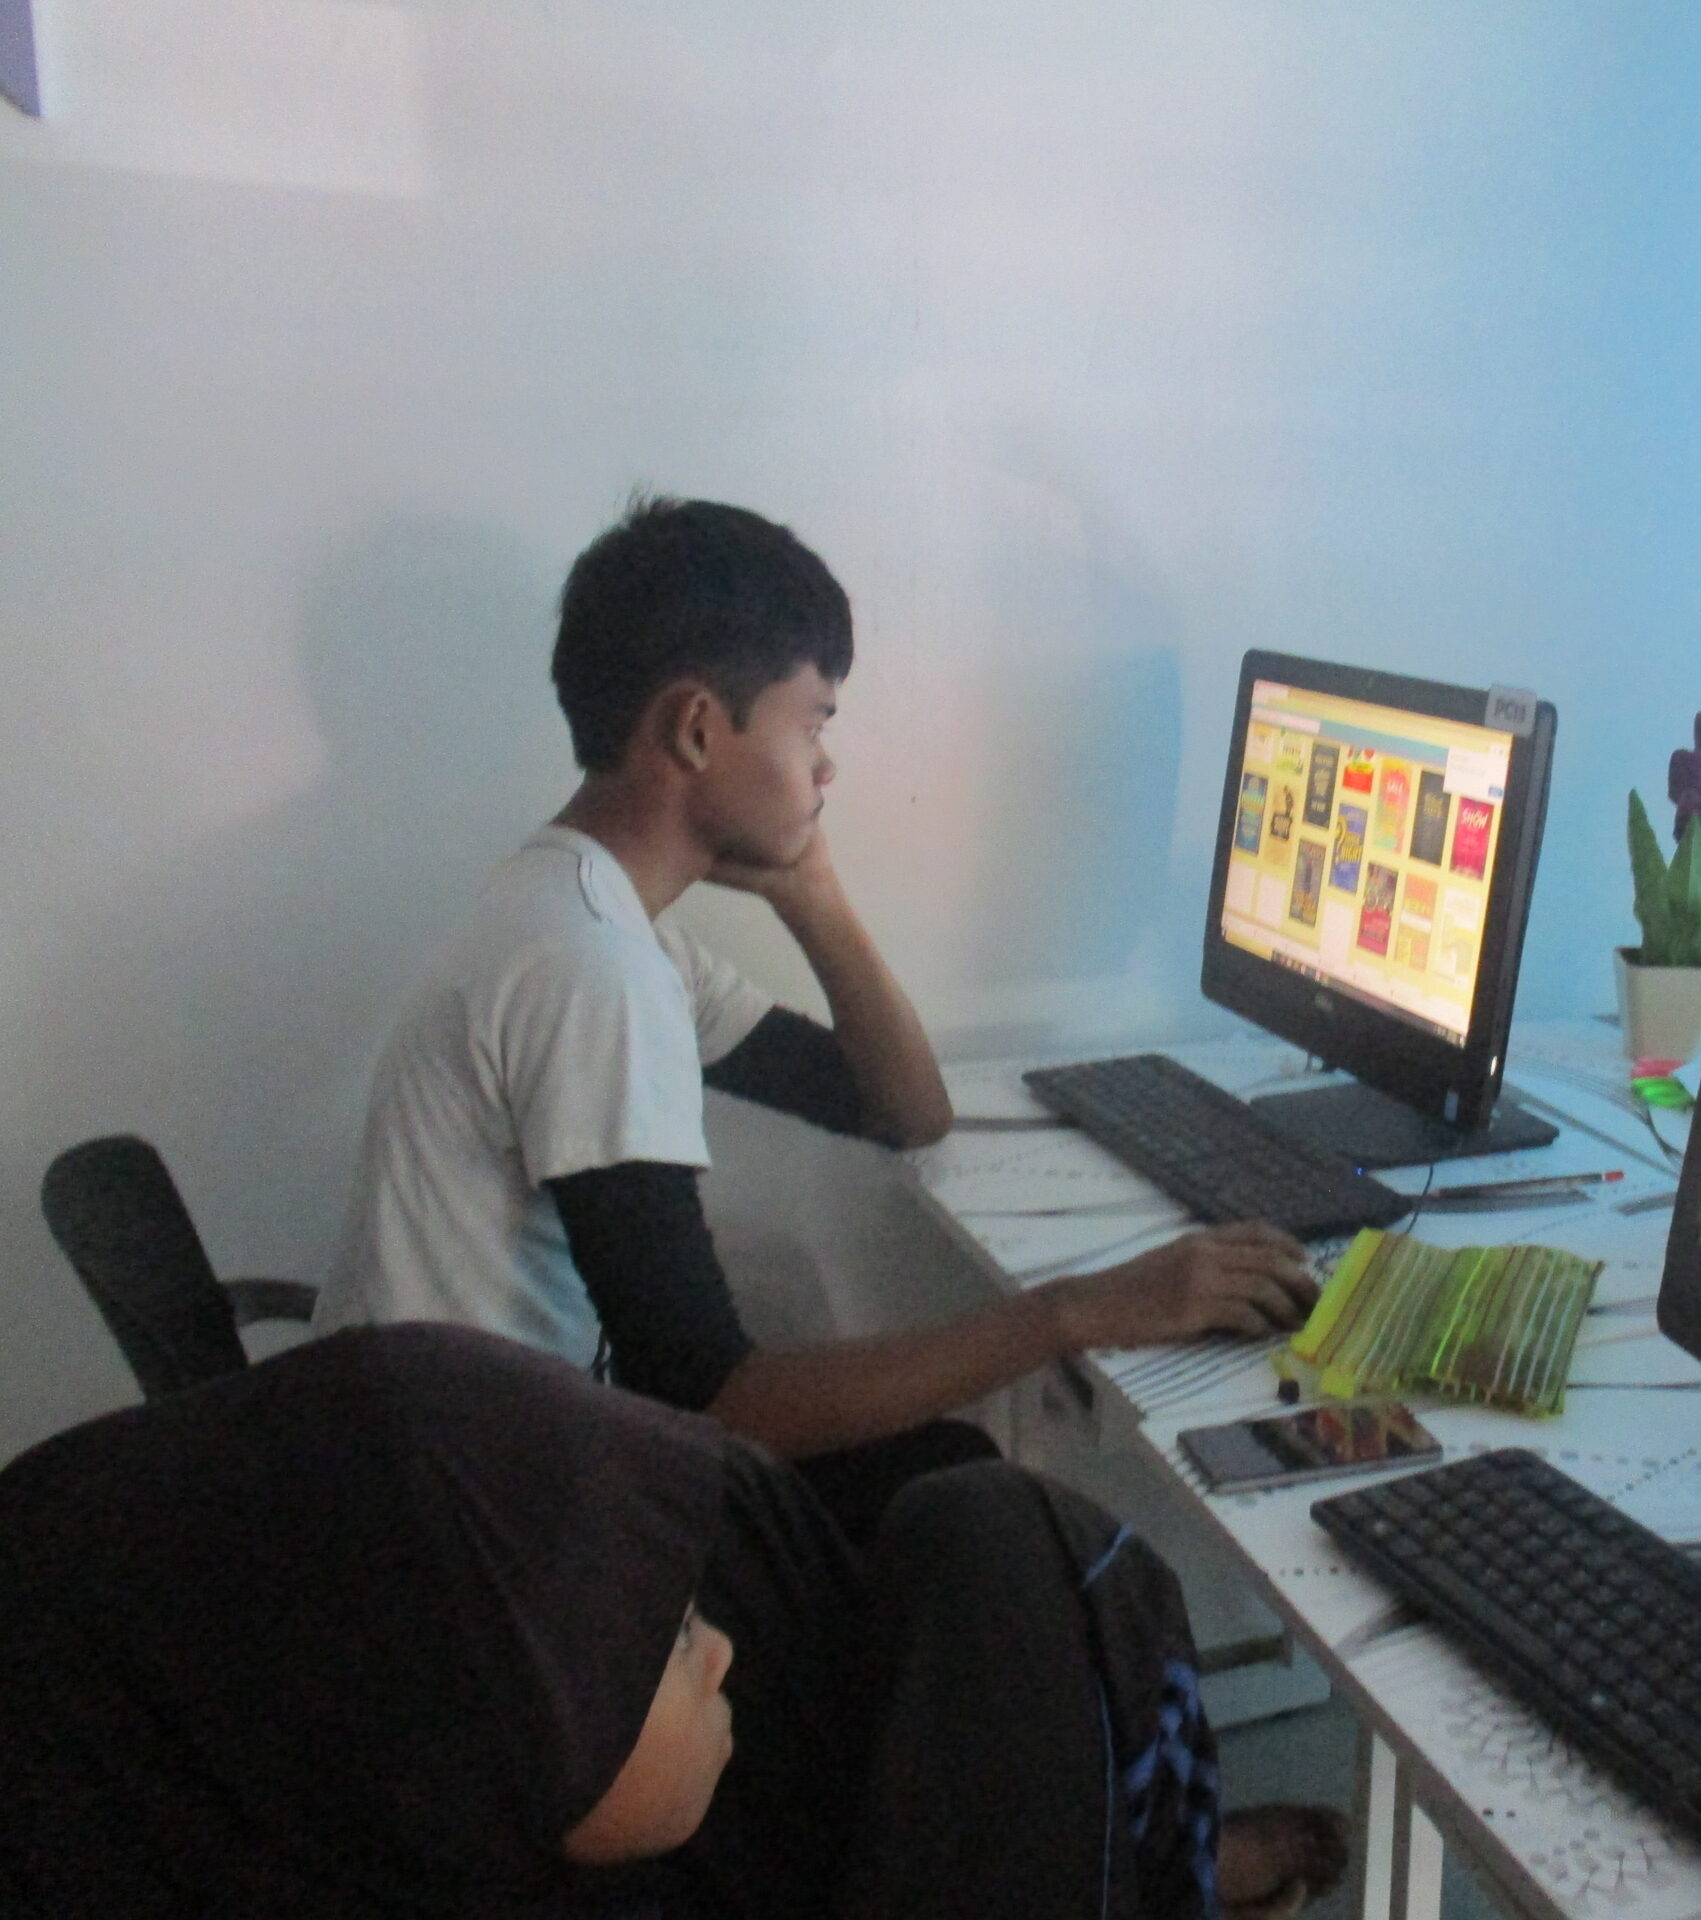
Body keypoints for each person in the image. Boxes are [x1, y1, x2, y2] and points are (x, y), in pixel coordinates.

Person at [314, 497, 1318, 1525]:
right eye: (813, 723)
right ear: (696, 729)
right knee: (981, 1510)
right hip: (476, 1529)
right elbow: (716, 1400)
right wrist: (1079, 1311)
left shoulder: (591, 917)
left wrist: (814, 895)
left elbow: (904, 1110)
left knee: (959, 1479)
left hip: (465, 1460)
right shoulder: (590, 970)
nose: (826, 765)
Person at [0, 1323, 1345, 1918]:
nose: (719, 1647)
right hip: (492, 1555)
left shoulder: (213, 1746)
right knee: (1005, 1553)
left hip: (488, 1514)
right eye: (670, 1635)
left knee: (977, 1522)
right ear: (451, 1773)